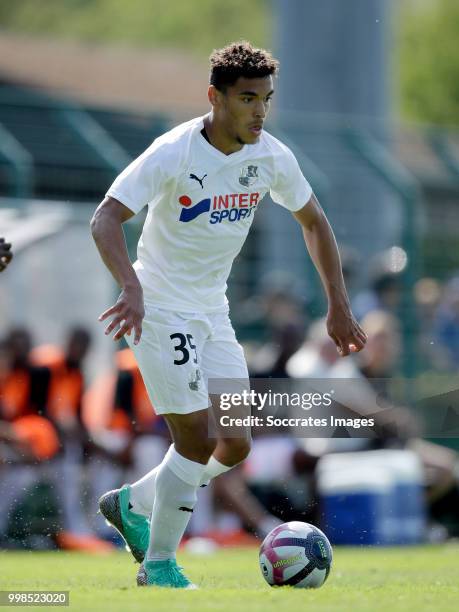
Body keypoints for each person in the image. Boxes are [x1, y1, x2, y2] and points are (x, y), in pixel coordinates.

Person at [90, 41, 366, 589]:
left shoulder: (271, 156)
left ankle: (135, 501)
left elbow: (314, 222)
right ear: (214, 97)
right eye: (247, 99)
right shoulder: (172, 152)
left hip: (213, 312)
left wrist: (338, 303)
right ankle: (161, 564)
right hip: (161, 309)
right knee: (194, 440)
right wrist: (131, 287)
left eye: (266, 99)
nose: (260, 112)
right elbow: (106, 218)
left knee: (235, 442)